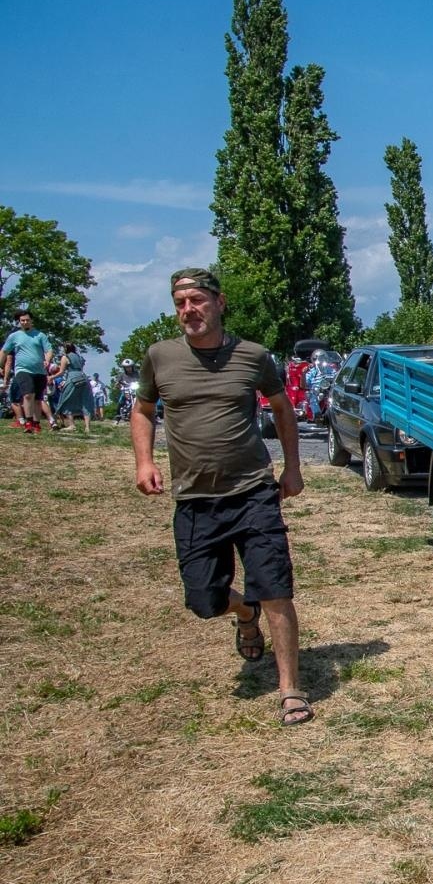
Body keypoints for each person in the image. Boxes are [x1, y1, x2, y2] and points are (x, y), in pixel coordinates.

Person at [132, 267, 313, 726]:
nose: (189, 310)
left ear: (219, 302)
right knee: (203, 600)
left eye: (197, 300)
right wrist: (144, 462)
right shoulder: (160, 357)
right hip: (194, 498)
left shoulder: (252, 356)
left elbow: (282, 408)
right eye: (180, 303)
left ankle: (290, 688)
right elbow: (143, 410)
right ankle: (242, 610)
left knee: (275, 587)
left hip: (253, 491)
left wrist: (292, 467)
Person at [1, 307, 55, 434]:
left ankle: (36, 424)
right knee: (27, 394)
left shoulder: (40, 335)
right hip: (22, 369)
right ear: (19, 322)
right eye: (22, 321)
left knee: (37, 399)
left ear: (32, 321)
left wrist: (47, 360)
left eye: (27, 320)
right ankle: (28, 422)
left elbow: (49, 350)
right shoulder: (14, 336)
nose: (25, 322)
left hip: (40, 371)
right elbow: (4, 351)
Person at [52, 343, 95, 434]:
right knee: (85, 402)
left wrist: (51, 377)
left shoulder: (65, 357)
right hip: (84, 378)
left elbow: (61, 372)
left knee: (65, 400)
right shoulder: (79, 357)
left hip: (72, 379)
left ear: (65, 349)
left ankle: (72, 425)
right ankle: (87, 427)